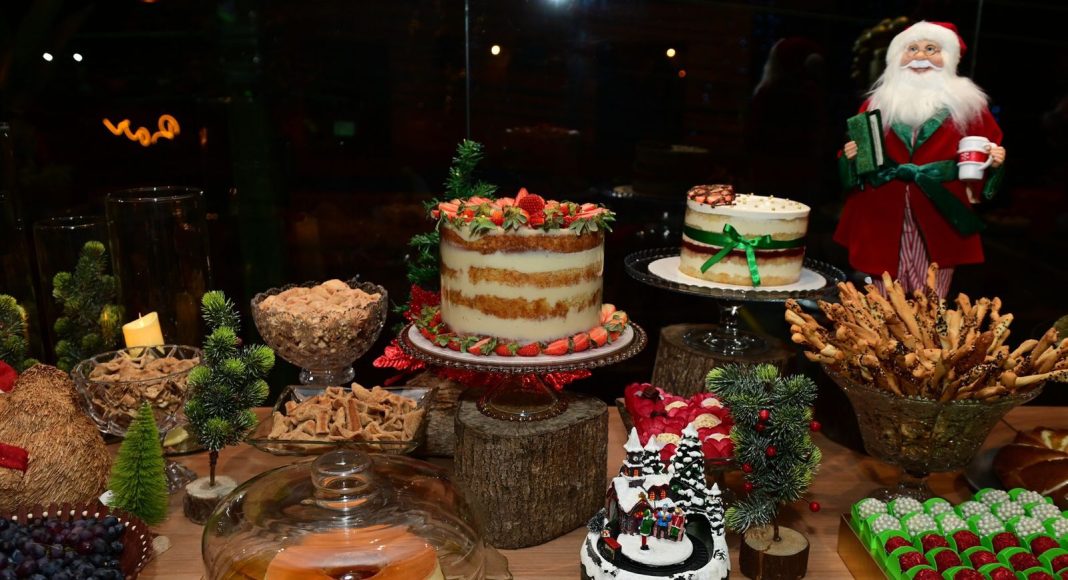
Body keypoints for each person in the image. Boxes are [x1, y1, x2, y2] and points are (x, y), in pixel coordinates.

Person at [836, 21, 1006, 297]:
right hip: (883, 211)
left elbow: (987, 148)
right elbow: (857, 162)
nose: (920, 56)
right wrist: (851, 157)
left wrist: (995, 163)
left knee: (932, 292)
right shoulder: (877, 103)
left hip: (940, 210)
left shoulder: (969, 106)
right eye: (912, 49)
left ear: (948, 57)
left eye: (930, 49)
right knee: (881, 292)